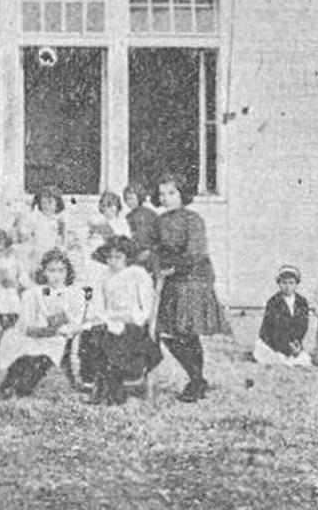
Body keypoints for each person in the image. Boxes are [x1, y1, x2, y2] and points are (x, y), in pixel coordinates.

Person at [153, 172, 231, 402]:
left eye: (171, 193)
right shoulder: (160, 221)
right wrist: (157, 267)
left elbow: (195, 252)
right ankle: (196, 377)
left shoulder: (193, 219)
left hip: (193, 279)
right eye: (161, 194)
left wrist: (174, 268)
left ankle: (196, 381)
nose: (166, 198)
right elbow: (156, 251)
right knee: (167, 332)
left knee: (187, 331)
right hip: (171, 280)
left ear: (182, 194)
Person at [0, 249, 85, 399]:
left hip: (56, 338)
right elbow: (26, 321)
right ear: (44, 272)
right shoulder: (35, 293)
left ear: (68, 272)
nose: (56, 275)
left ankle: (22, 389)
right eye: (51, 270)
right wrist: (34, 330)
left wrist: (61, 327)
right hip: (36, 334)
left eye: (61, 271)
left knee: (40, 359)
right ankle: (7, 385)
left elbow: (75, 322)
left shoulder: (74, 294)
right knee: (23, 354)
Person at [83, 236, 162, 405]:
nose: (112, 261)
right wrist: (105, 317)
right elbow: (98, 305)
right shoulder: (104, 275)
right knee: (95, 333)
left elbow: (146, 310)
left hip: (134, 326)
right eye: (109, 257)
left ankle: (113, 388)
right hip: (109, 321)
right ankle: (105, 384)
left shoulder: (138, 274)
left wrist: (129, 317)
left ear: (127, 257)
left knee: (113, 338)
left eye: (117, 257)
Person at [252, 265, 312, 368]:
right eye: (284, 283)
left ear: (297, 284)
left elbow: (303, 325)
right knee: (278, 359)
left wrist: (297, 343)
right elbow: (273, 329)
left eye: (291, 283)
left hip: (293, 342)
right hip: (273, 342)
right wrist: (287, 345)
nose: (288, 287)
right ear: (279, 283)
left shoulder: (302, 302)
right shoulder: (273, 302)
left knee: (305, 360)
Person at [13, 185, 65, 275]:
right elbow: (25, 232)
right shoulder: (36, 218)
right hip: (37, 249)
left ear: (57, 203)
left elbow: (62, 238)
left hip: (53, 250)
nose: (46, 206)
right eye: (43, 203)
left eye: (50, 202)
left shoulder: (59, 220)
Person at [123, 182, 159, 272]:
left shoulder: (148, 215)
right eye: (127, 199)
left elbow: (144, 237)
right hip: (134, 254)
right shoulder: (128, 216)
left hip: (148, 254)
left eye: (131, 198)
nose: (129, 202)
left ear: (139, 197)